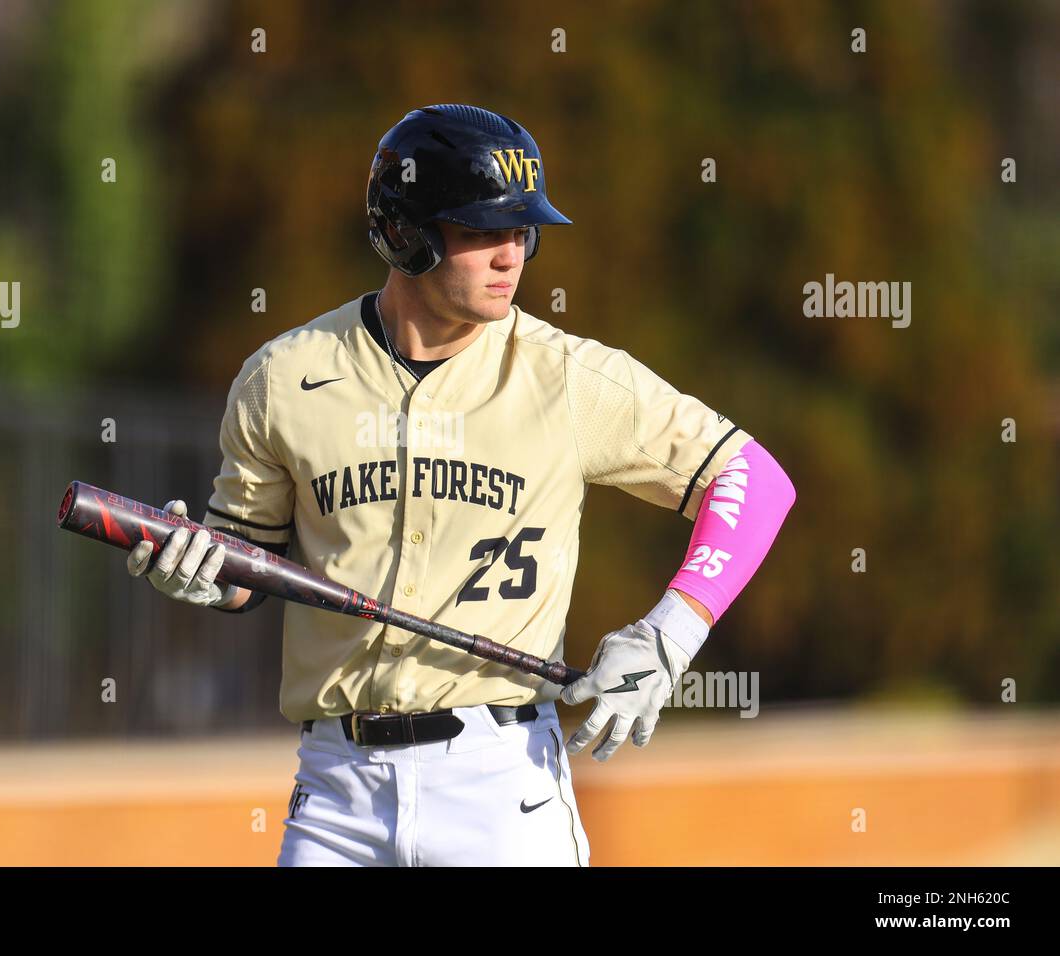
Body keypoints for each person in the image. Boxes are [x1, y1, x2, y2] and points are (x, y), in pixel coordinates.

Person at [126, 104, 796, 866]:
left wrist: (669, 635)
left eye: (524, 232)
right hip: (335, 793)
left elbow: (755, 480)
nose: (512, 255)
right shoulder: (283, 377)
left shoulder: (566, 376)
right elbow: (246, 561)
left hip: (503, 788)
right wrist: (204, 575)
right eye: (482, 232)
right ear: (406, 234)